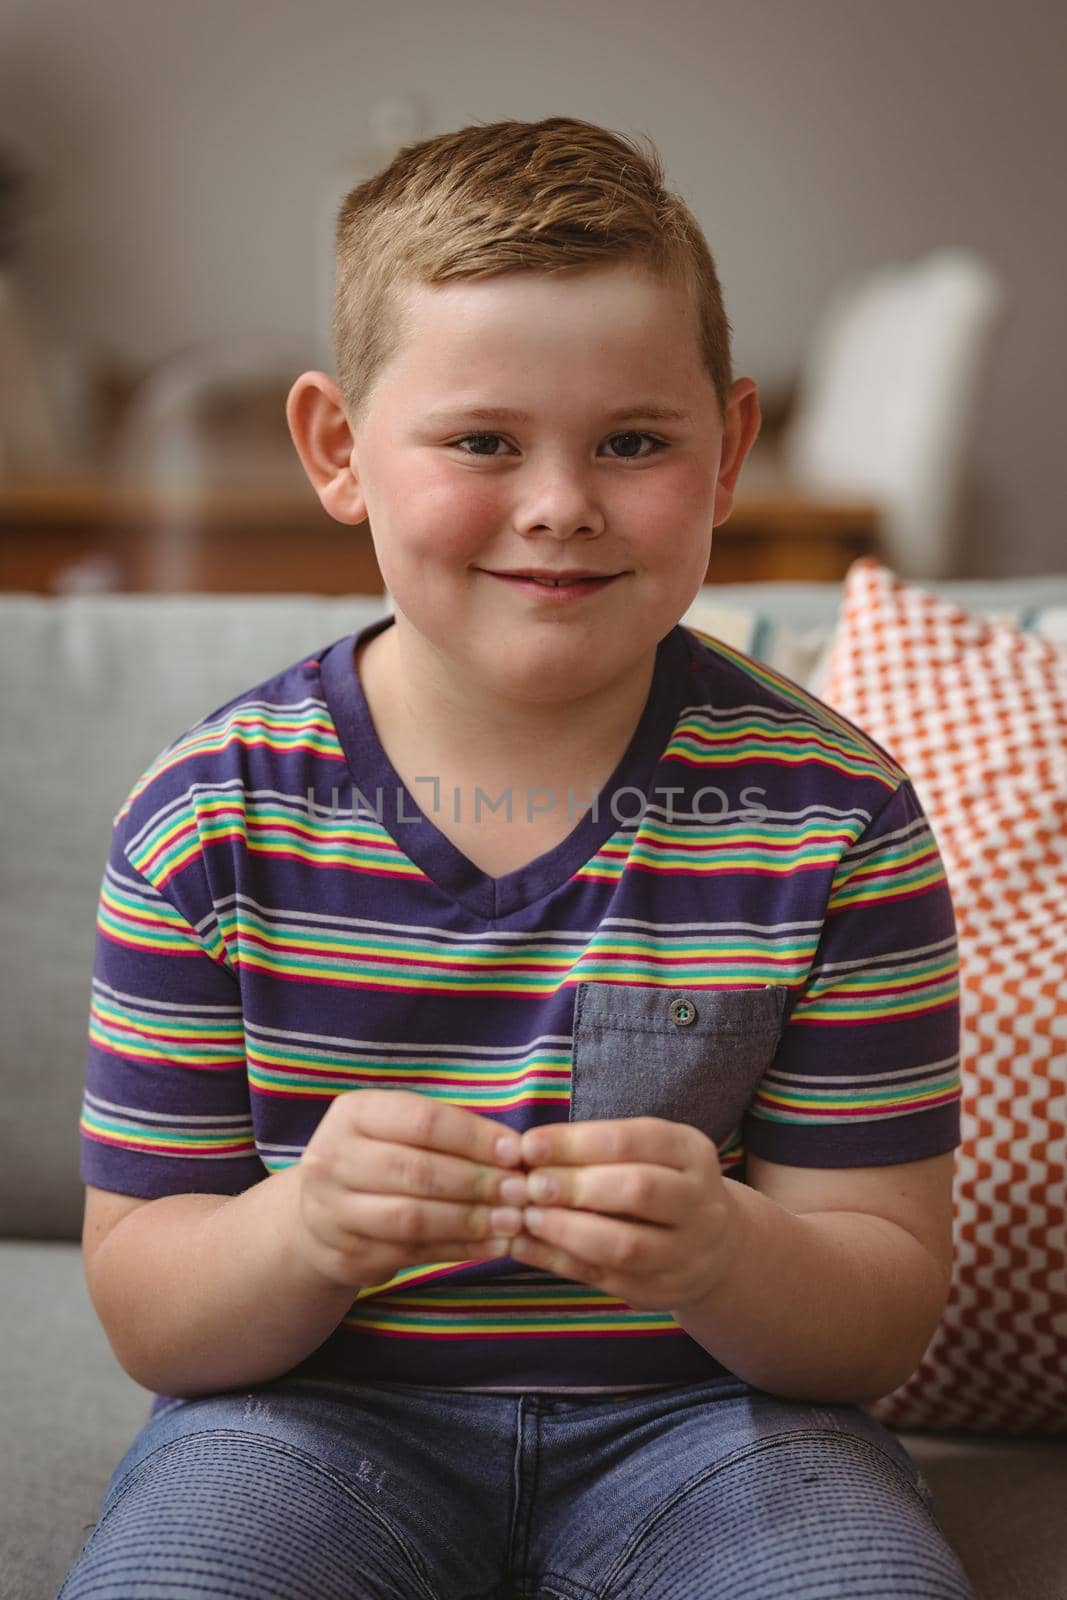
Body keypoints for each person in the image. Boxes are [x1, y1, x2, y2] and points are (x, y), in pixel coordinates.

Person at [59, 116, 976, 1599]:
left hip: (720, 1430)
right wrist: (305, 1228)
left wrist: (725, 1252)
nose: (561, 503)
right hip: (308, 1420)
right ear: (339, 452)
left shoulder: (836, 818)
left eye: (633, 440)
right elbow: (153, 1310)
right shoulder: (207, 819)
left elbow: (876, 1313)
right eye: (484, 441)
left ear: (730, 451)